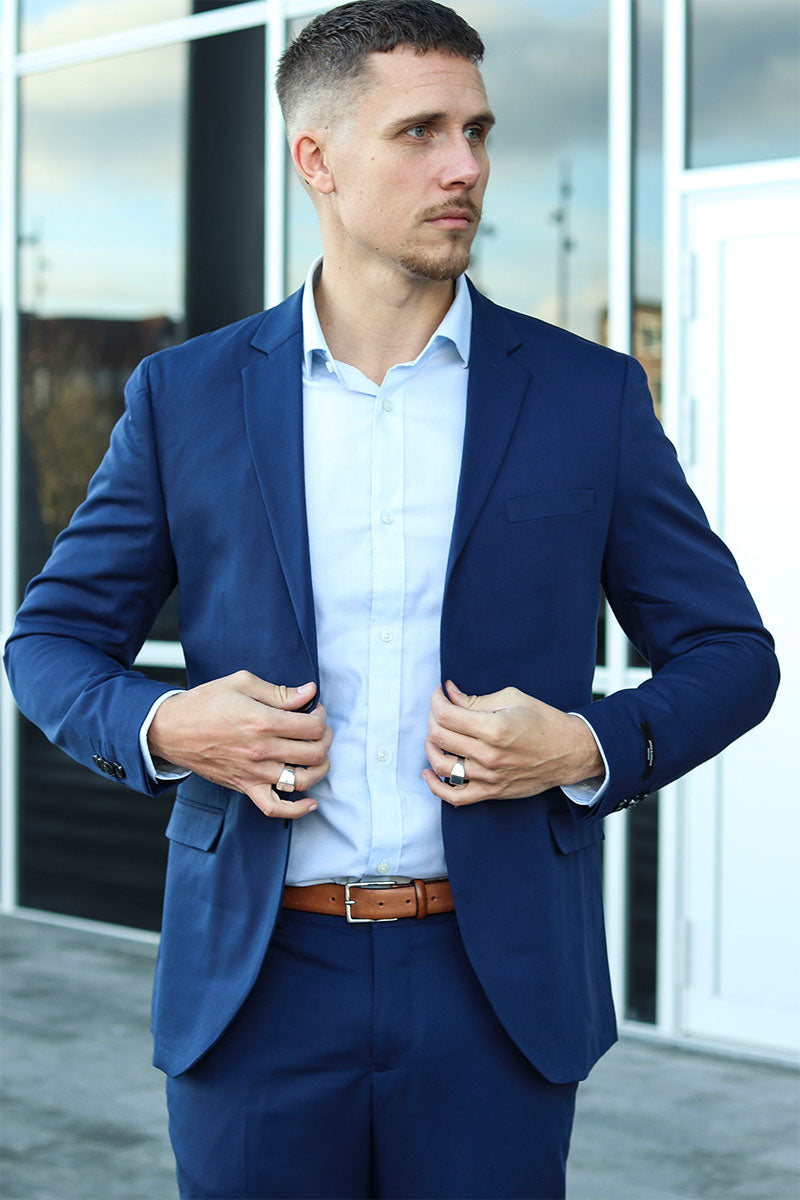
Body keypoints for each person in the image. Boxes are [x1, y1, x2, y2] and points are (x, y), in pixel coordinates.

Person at [4, 2, 779, 1197]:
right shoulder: (184, 397)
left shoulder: (584, 396)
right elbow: (49, 641)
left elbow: (730, 651)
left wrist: (584, 745)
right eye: (419, 132)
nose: (463, 166)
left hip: (495, 985)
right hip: (254, 984)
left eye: (476, 131)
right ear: (315, 160)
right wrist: (166, 725)